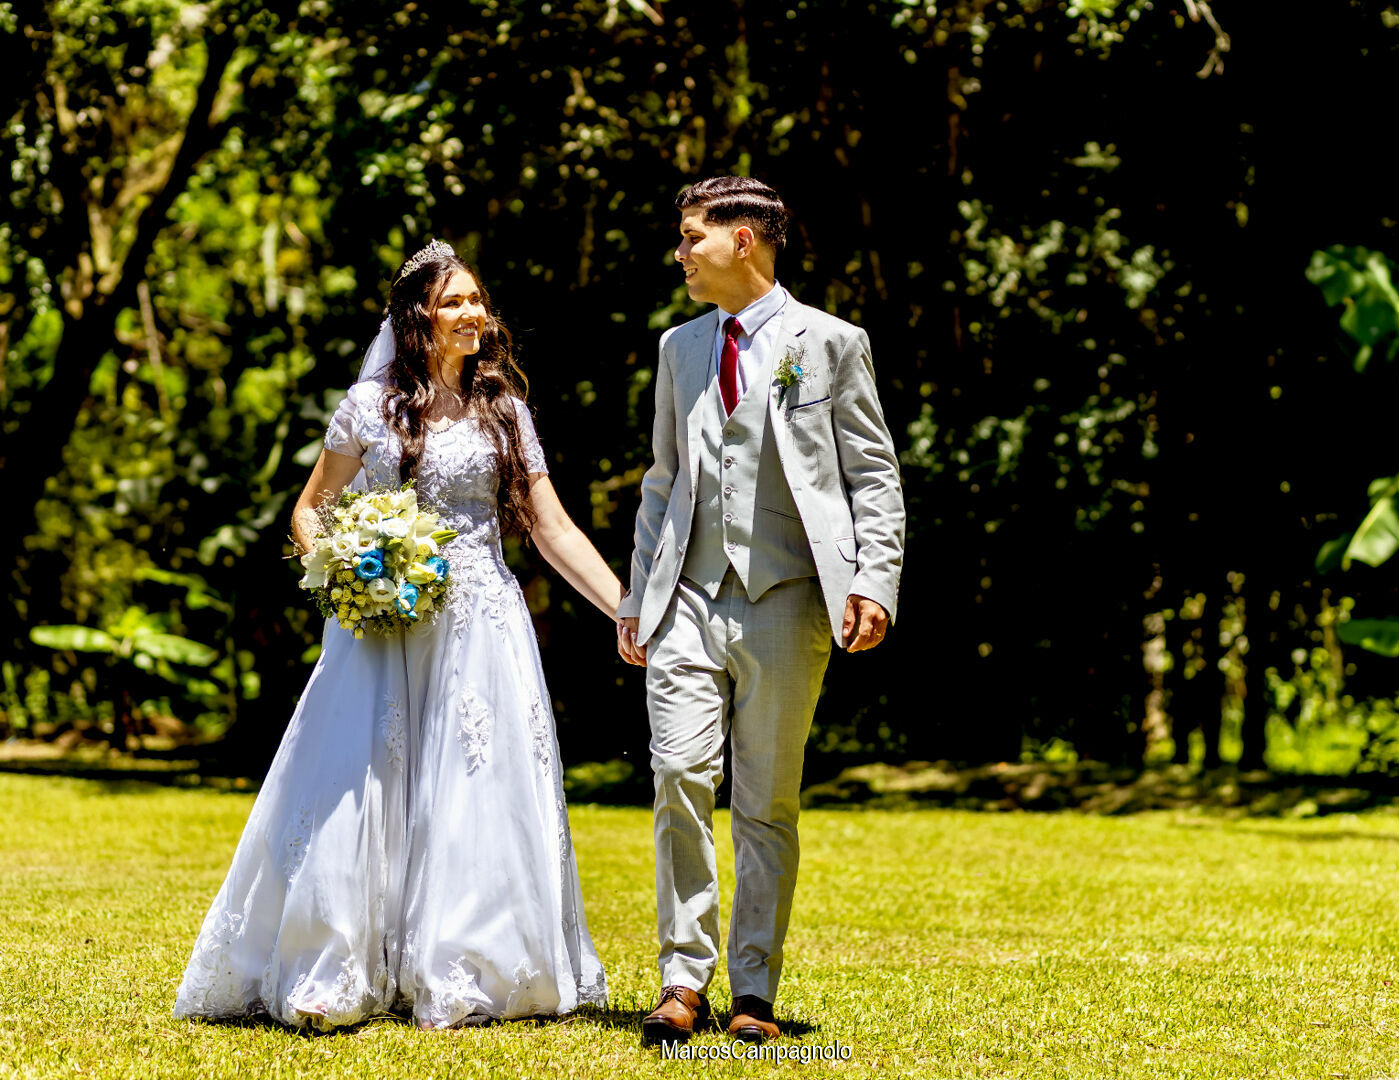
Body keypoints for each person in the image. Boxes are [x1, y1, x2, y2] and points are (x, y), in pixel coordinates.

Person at [173, 240, 622, 1030]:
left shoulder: (504, 410)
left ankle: (469, 967)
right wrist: (349, 573)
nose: (473, 313)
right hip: (379, 626)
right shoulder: (368, 407)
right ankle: (333, 969)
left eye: (477, 300)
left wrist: (623, 605)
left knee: (476, 788)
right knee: (359, 784)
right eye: (454, 302)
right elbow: (309, 512)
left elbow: (549, 526)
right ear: (417, 317)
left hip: (480, 621)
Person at [614, 177, 906, 1044]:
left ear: (744, 242)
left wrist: (872, 582)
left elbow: (872, 475)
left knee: (767, 803)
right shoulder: (678, 347)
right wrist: (636, 594)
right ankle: (680, 978)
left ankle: (753, 994)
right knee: (677, 776)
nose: (681, 253)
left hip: (787, 600)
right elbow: (662, 481)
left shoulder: (832, 343)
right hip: (686, 598)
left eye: (692, 238)